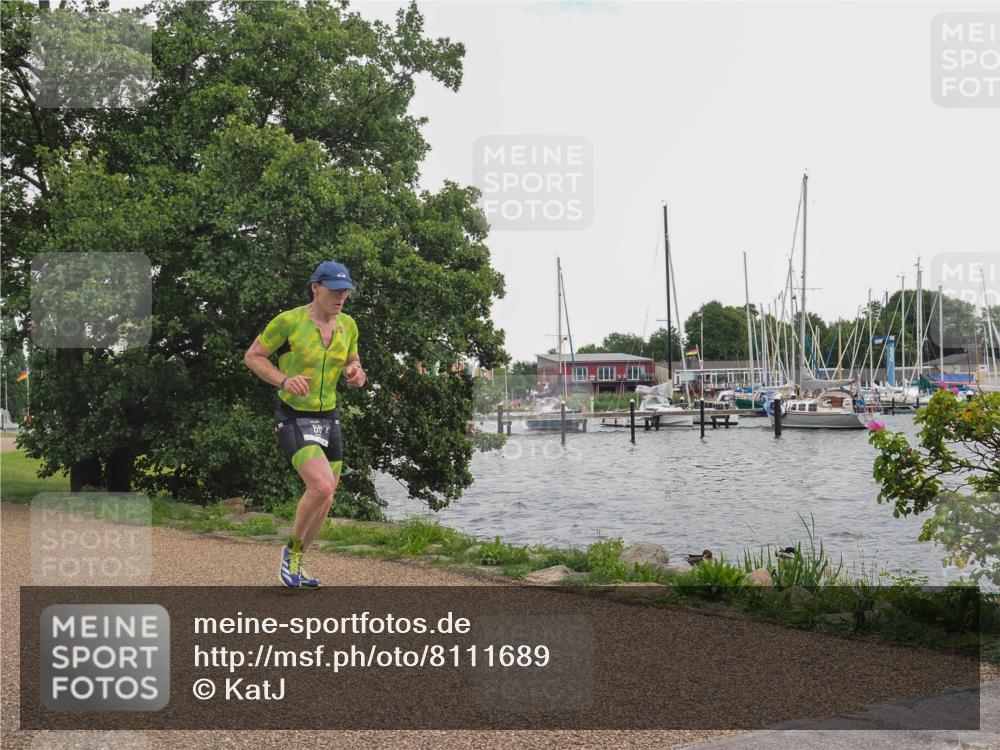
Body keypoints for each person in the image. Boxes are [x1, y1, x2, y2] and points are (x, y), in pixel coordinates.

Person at [244, 260, 366, 588]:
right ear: (315, 287)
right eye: (335, 290)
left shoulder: (349, 326)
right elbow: (253, 356)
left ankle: (299, 560)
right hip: (294, 415)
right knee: (321, 485)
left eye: (346, 291)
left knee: (327, 497)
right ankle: (290, 551)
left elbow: (353, 362)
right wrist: (283, 380)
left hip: (329, 416)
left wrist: (356, 374)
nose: (341, 297)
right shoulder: (289, 322)